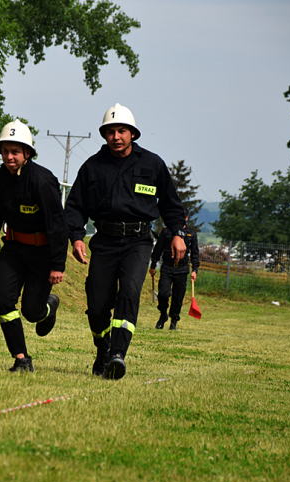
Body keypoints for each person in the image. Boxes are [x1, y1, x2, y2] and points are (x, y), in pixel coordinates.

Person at [64, 103, 187, 380]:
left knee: (129, 292)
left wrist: (178, 234)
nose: (116, 136)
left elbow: (171, 205)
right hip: (104, 241)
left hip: (138, 241)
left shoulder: (153, 164)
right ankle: (103, 349)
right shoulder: (91, 167)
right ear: (104, 135)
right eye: (110, 131)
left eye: (121, 131)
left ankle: (118, 354)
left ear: (132, 133)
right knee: (96, 307)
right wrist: (76, 237)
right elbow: (74, 206)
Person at [0, 119, 69, 373]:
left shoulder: (42, 181)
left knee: (31, 311)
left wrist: (57, 265)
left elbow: (58, 226)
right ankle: (21, 359)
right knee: (2, 300)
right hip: (14, 249)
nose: (9, 156)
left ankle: (48, 308)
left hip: (43, 254)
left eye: (15, 151)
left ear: (27, 153)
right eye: (5, 151)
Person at [149, 211, 200, 330]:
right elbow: (158, 249)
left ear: (186, 218)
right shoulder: (166, 231)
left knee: (178, 298)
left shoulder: (191, 234)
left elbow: (195, 254)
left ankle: (174, 321)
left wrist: (195, 270)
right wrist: (153, 265)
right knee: (163, 294)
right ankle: (163, 315)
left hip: (182, 269)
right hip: (167, 267)